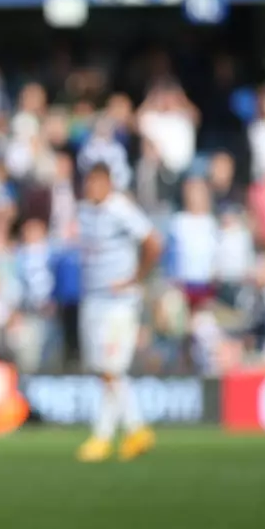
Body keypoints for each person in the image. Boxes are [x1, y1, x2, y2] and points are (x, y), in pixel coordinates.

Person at [74, 161, 161, 462]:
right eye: (89, 182)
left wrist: (135, 279)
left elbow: (153, 242)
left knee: (111, 367)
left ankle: (135, 428)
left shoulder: (120, 208)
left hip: (117, 302)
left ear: (109, 183)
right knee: (104, 369)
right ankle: (104, 436)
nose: (92, 188)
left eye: (98, 182)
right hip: (93, 298)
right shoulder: (85, 211)